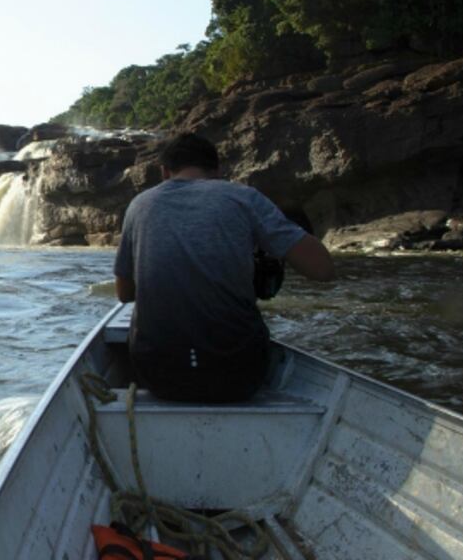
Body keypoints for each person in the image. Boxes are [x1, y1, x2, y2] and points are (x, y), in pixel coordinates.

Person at [113, 133, 334, 402]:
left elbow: (124, 294)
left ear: (164, 172)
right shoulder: (243, 198)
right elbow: (323, 270)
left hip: (159, 376)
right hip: (237, 375)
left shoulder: (139, 205)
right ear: (218, 171)